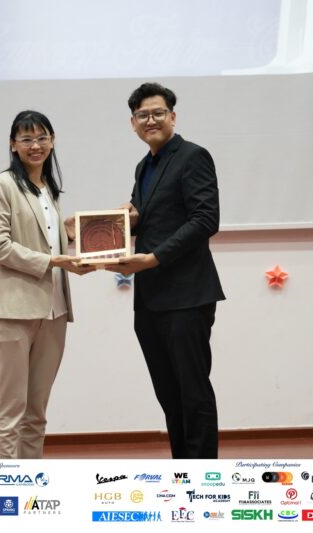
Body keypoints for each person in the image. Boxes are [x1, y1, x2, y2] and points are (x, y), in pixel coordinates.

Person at [106, 83, 225, 459]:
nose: (151, 120)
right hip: (151, 299)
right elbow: (148, 218)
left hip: (187, 296)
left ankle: (204, 479)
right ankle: (183, 472)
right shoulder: (144, 165)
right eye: (142, 115)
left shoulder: (193, 156)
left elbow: (205, 220)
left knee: (193, 394)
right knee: (169, 395)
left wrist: (154, 258)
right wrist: (121, 220)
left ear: (173, 116)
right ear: (133, 123)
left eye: (158, 113)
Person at [0, 110, 90, 459]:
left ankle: (30, 479)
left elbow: (42, 238)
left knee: (36, 412)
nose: (35, 145)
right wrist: (53, 261)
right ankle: (5, 484)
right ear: (13, 145)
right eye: (26, 139)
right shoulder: (3, 185)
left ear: (52, 141)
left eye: (42, 137)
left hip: (54, 313)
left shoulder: (49, 189)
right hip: (14, 311)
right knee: (9, 409)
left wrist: (68, 235)